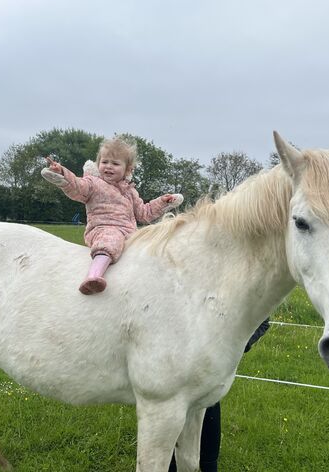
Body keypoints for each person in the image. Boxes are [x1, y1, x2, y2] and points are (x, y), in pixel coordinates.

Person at [41, 136, 183, 295]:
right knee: (112, 239)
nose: (108, 167)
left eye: (115, 163)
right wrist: (63, 175)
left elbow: (144, 213)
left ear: (128, 169)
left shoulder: (130, 192)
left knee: (150, 245)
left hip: (129, 234)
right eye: (104, 162)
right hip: (102, 230)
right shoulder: (93, 183)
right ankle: (93, 277)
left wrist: (163, 202)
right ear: (98, 163)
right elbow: (78, 187)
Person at [168, 318, 271, 472]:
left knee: (207, 450)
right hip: (175, 380)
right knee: (168, 442)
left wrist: (233, 347)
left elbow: (263, 322)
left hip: (210, 383)